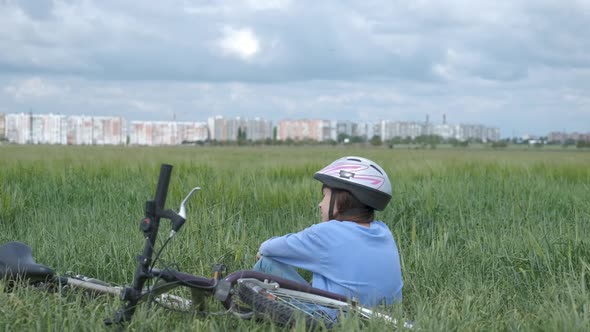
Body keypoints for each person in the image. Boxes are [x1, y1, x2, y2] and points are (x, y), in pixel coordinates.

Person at [254, 156, 403, 307]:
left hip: (333, 319)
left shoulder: (326, 233)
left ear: (342, 199)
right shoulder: (384, 231)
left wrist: (266, 252)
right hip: (383, 315)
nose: (320, 204)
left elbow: (267, 248)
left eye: (325, 196)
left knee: (266, 262)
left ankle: (256, 312)